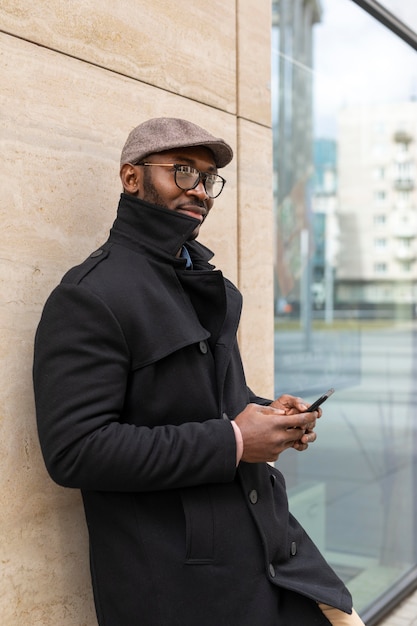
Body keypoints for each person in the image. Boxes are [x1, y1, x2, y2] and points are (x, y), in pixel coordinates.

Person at [33, 117, 364, 626]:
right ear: (131, 177)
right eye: (183, 171)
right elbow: (75, 451)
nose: (201, 190)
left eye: (208, 178)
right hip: (180, 587)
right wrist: (233, 440)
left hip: (271, 552)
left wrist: (269, 415)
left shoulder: (204, 283)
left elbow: (213, 401)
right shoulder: (89, 295)